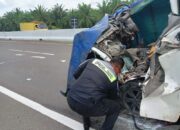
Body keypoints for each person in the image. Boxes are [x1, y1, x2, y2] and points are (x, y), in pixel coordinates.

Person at [67, 57, 124, 130]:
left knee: (88, 93)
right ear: (117, 67)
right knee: (116, 107)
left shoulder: (93, 60)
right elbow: (113, 97)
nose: (118, 73)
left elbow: (76, 74)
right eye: (119, 71)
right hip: (86, 106)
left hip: (71, 98)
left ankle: (86, 125)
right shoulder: (113, 77)